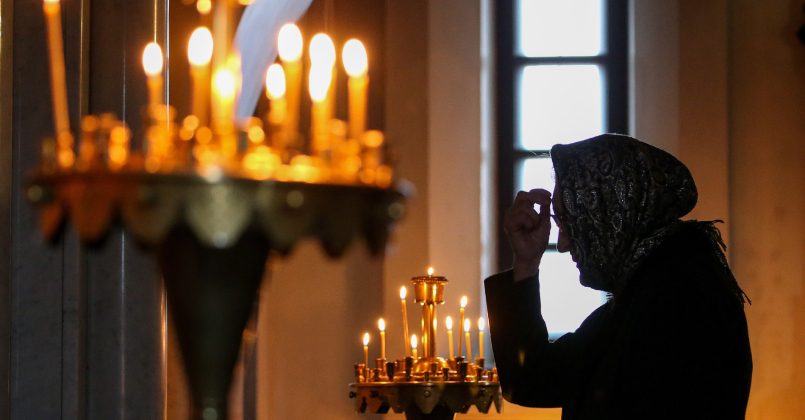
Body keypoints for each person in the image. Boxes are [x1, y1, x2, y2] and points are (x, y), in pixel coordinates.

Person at [485, 134, 752, 419]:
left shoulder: (680, 299)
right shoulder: (648, 286)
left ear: (608, 210)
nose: (562, 244)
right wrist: (526, 262)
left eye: (569, 221)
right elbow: (535, 378)